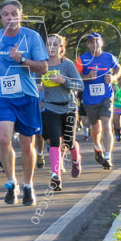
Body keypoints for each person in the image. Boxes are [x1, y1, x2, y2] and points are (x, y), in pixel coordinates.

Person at [0, 0, 49, 206]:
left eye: (14, 14)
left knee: (27, 144)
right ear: (1, 17)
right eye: (5, 14)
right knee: (3, 139)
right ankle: (11, 182)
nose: (10, 17)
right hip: (1, 95)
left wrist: (22, 59)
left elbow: (44, 67)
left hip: (26, 96)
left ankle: (28, 185)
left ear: (21, 15)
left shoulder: (32, 37)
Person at [40, 34, 83, 191]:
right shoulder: (42, 66)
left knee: (69, 141)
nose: (51, 47)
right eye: (48, 44)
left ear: (61, 49)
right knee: (54, 141)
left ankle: (75, 159)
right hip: (51, 107)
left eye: (55, 44)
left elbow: (80, 86)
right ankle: (55, 175)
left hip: (69, 107)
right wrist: (38, 93)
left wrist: (64, 81)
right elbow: (35, 84)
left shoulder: (68, 65)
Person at [78, 32, 121, 169]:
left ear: (101, 43)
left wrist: (113, 78)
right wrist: (86, 76)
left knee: (107, 124)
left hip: (106, 96)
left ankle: (108, 156)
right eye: (91, 41)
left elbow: (118, 68)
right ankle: (97, 148)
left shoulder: (109, 57)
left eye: (97, 41)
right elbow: (74, 77)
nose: (94, 43)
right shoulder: (82, 59)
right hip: (89, 99)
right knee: (95, 129)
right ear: (88, 44)